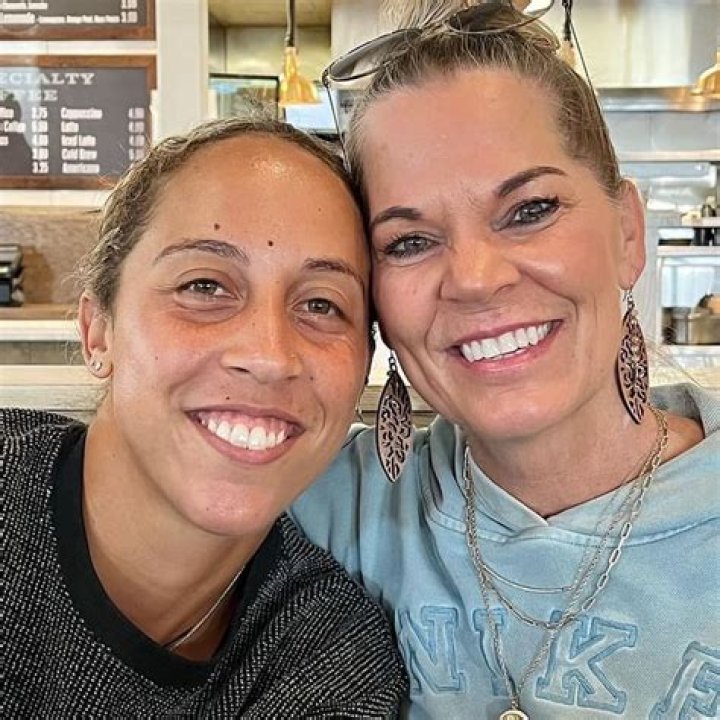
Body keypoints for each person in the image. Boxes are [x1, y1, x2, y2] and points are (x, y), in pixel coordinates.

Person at [290, 2, 720, 718]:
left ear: (627, 233)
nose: (475, 279)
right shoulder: (328, 504)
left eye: (530, 210)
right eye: (409, 242)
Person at [2, 116, 408, 718]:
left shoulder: (330, 660)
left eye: (322, 304)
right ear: (97, 331)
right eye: (205, 286)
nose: (269, 355)